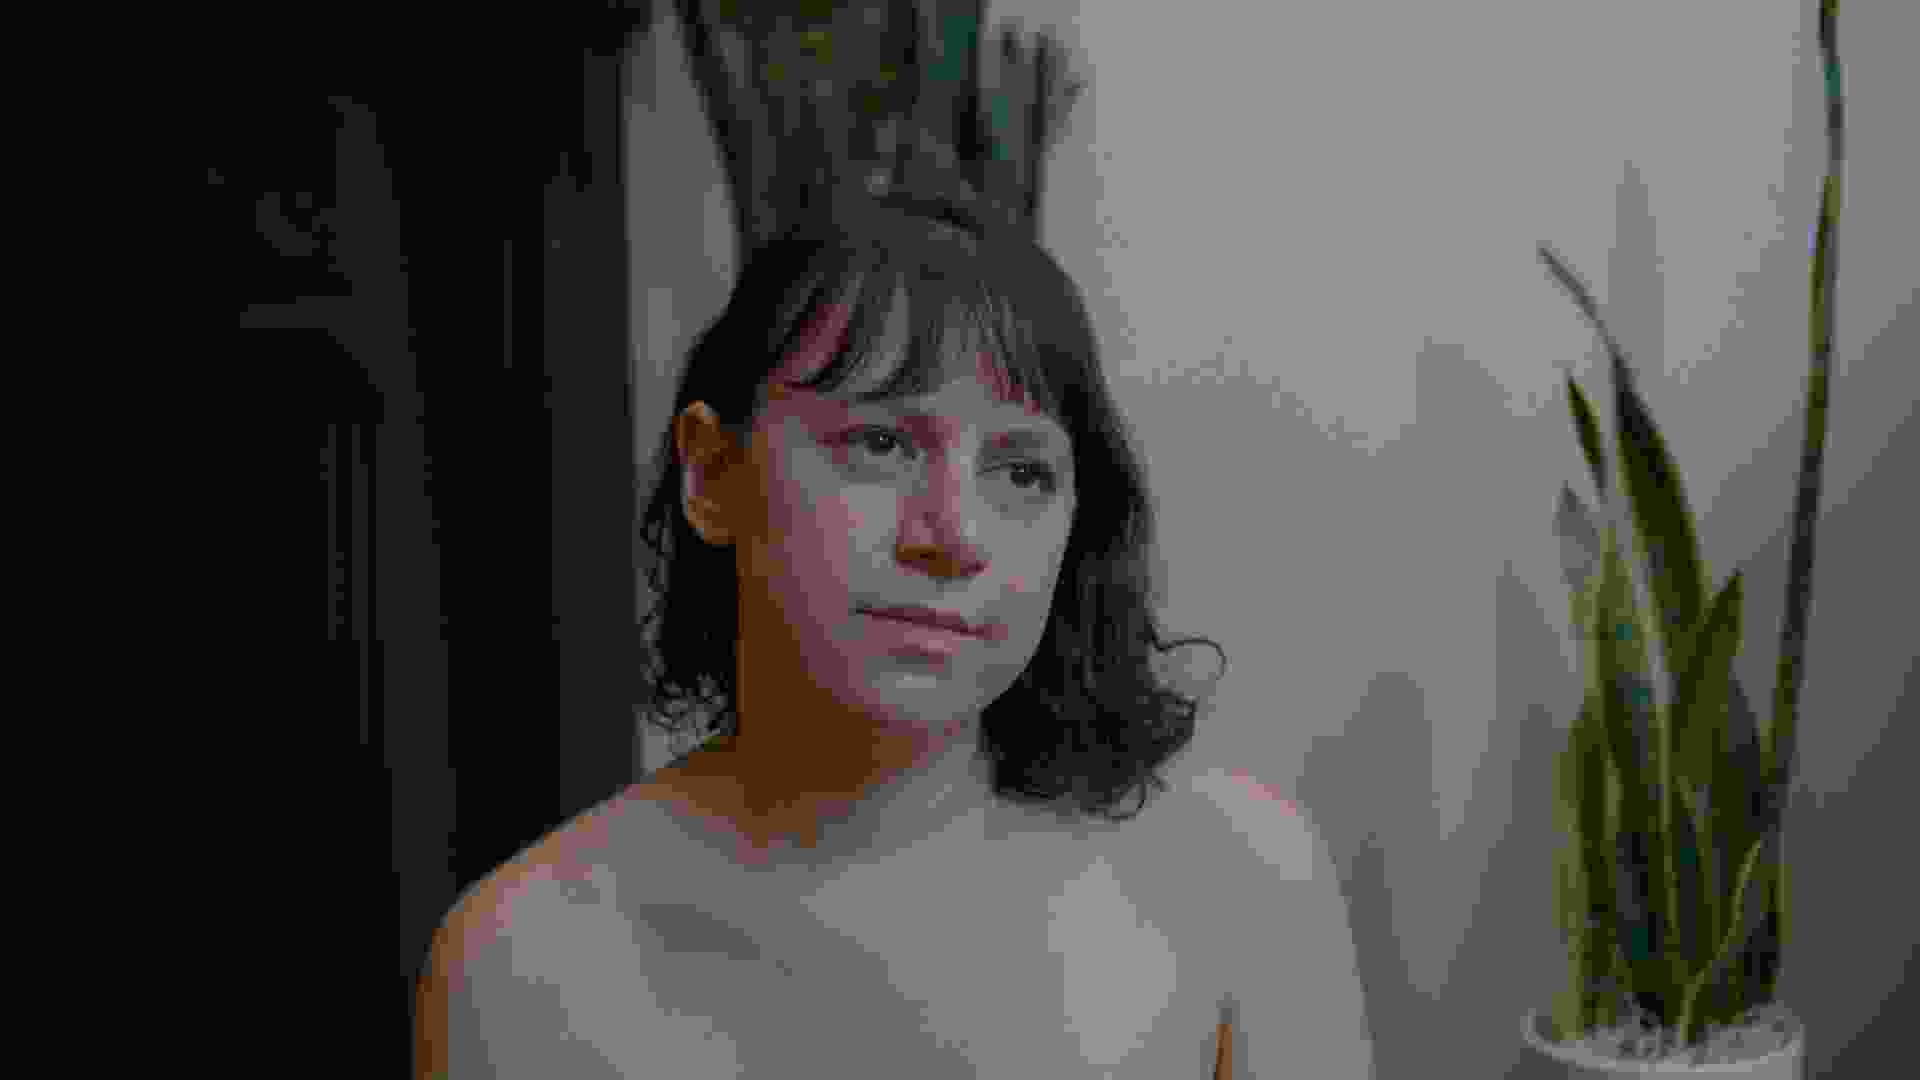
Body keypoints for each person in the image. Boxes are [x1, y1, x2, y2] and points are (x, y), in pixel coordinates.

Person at [413, 181, 1375, 1078]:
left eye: (1022, 471)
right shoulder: (519, 962)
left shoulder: (1235, 879)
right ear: (712, 474)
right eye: (878, 443)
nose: (951, 537)